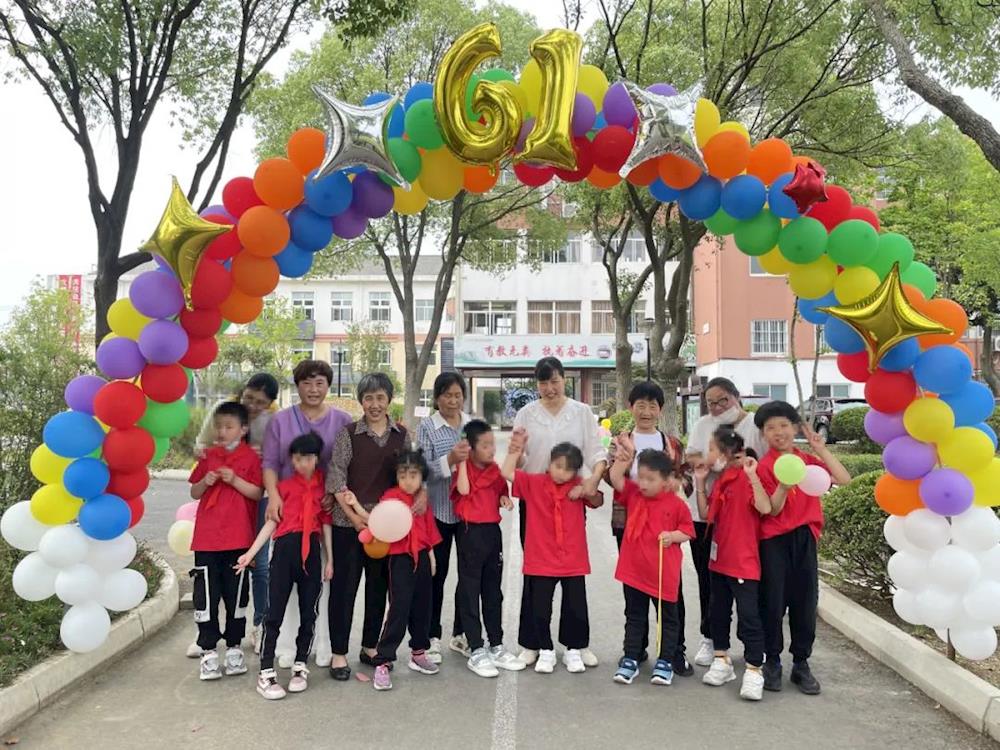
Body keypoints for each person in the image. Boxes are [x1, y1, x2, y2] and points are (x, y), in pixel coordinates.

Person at [512, 357, 606, 668]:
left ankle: (576, 643)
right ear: (536, 384)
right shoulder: (526, 414)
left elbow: (596, 452)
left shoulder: (581, 412)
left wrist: (592, 482)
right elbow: (519, 459)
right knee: (536, 573)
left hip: (570, 498)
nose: (550, 388)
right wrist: (517, 453)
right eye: (543, 383)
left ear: (565, 379)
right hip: (536, 499)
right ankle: (532, 643)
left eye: (554, 381)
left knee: (572, 573)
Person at [754, 400, 850, 696]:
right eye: (770, 427)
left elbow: (844, 480)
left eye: (784, 425)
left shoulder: (808, 460)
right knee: (772, 601)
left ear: (795, 428)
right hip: (773, 541)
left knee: (805, 601)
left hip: (805, 538)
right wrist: (783, 486)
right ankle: (772, 661)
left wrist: (821, 449)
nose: (778, 432)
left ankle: (801, 663)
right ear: (763, 434)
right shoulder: (763, 466)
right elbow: (772, 510)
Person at [262, 360, 351, 669]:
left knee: (324, 580)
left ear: (328, 385)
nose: (313, 389)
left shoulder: (342, 420)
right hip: (289, 513)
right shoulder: (280, 421)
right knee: (284, 585)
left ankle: (323, 642)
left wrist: (332, 494)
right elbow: (270, 463)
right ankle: (286, 645)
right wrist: (274, 496)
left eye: (320, 383)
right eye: (306, 383)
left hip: (326, 514)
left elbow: (346, 465)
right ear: (297, 385)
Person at [187, 372, 279, 659]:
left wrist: (255, 462)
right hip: (216, 514)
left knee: (258, 565)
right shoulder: (224, 411)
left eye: (260, 402)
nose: (253, 405)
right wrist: (207, 458)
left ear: (269, 404)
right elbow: (202, 448)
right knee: (209, 581)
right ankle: (206, 636)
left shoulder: (272, 421)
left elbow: (271, 469)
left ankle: (258, 626)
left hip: (254, 495)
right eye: (249, 397)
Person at [325, 372, 411, 681]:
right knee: (344, 589)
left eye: (380, 398)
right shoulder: (348, 434)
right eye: (368, 398)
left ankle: (370, 646)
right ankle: (338, 653)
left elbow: (406, 478)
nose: (375, 404)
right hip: (348, 524)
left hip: (386, 527)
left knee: (378, 587)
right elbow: (336, 478)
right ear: (361, 401)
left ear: (389, 400)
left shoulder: (402, 435)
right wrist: (356, 518)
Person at [235, 433, 333, 700]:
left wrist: (330, 560)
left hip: (311, 555)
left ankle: (300, 664)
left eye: (308, 458)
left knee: (309, 612)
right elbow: (271, 522)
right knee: (274, 612)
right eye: (298, 459)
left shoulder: (323, 490)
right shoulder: (284, 487)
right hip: (284, 552)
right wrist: (251, 553)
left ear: (317, 459)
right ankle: (266, 671)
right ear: (292, 460)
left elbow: (325, 525)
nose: (303, 464)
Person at [604, 381, 693, 674]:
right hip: (629, 525)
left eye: (652, 405)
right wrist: (623, 459)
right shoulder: (620, 441)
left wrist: (675, 483)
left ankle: (674, 652)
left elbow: (686, 478)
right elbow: (610, 476)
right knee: (635, 589)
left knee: (670, 592)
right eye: (640, 405)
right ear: (631, 407)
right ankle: (635, 649)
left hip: (665, 528)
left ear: (660, 409)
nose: (646, 411)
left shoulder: (673, 444)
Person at [684, 377, 767, 668]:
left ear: (736, 396)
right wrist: (710, 462)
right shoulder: (702, 424)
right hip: (706, 516)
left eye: (723, 400)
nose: (717, 407)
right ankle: (710, 637)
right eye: (711, 402)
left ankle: (752, 643)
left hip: (747, 519)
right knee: (709, 583)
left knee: (747, 585)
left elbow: (765, 461)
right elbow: (691, 455)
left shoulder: (755, 424)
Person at [502, 435, 599, 675]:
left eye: (568, 470)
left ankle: (573, 649)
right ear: (549, 463)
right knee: (540, 607)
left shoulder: (578, 486)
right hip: (541, 558)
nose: (561, 473)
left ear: (576, 472)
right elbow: (507, 472)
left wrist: (585, 488)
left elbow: (597, 499)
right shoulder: (535, 483)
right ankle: (545, 649)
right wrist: (515, 450)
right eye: (558, 466)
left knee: (575, 606)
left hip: (572, 559)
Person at [353, 448, 440, 692]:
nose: (408, 481)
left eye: (413, 475)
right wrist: (355, 505)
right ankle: (383, 661)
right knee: (398, 609)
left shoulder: (422, 501)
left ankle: (418, 653)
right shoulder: (390, 498)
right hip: (399, 560)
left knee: (423, 606)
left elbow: (428, 531)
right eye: (403, 475)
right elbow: (375, 522)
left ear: (422, 477)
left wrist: (431, 556)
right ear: (396, 477)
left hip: (422, 558)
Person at [694, 427, 771, 701]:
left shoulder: (747, 476)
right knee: (718, 613)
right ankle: (721, 660)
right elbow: (705, 514)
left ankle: (754, 669)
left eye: (712, 449)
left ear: (726, 453)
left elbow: (765, 508)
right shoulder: (722, 480)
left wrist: (753, 476)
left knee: (749, 616)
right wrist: (700, 483)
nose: (708, 455)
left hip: (744, 561)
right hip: (719, 560)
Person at [188, 402, 263, 681]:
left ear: (243, 429)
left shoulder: (252, 458)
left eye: (228, 426)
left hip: (238, 538)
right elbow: (194, 492)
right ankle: (208, 650)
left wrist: (234, 480)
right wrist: (206, 481)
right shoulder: (209, 455)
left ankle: (234, 647)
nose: (222, 431)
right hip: (207, 539)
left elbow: (258, 493)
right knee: (206, 597)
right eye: (218, 426)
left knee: (237, 596)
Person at [451, 419, 524, 677]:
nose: (492, 449)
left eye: (492, 444)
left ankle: (496, 644)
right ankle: (475, 647)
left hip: (492, 534)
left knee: (493, 591)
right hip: (470, 533)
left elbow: (502, 490)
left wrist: (504, 498)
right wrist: (461, 461)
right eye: (485, 445)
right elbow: (463, 490)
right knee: (470, 591)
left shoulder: (495, 470)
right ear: (470, 448)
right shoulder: (464, 470)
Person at [416, 372, 471, 662]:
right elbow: (421, 469)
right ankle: (431, 636)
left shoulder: (472, 425)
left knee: (469, 575)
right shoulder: (427, 427)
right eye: (447, 395)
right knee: (435, 575)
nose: (452, 400)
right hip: (437, 512)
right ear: (437, 398)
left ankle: (461, 633)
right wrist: (450, 459)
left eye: (457, 395)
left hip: (468, 513)